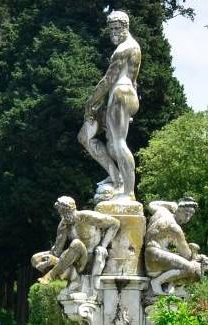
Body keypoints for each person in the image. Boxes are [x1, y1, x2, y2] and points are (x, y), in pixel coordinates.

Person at [78, 10, 141, 200]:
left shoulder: (124, 49)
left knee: (119, 144)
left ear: (125, 27)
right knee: (85, 137)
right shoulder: (131, 47)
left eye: (117, 28)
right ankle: (116, 177)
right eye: (111, 28)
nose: (113, 32)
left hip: (120, 94)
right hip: (124, 96)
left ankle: (128, 192)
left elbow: (108, 80)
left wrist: (90, 103)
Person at [44, 196, 120, 282]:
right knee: (35, 259)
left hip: (90, 257)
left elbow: (115, 223)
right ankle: (64, 275)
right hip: (73, 260)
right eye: (61, 214)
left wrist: (103, 246)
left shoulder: (87, 217)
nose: (63, 217)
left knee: (76, 244)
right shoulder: (64, 224)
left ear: (72, 211)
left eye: (65, 214)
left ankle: (51, 275)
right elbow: (57, 251)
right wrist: (48, 259)